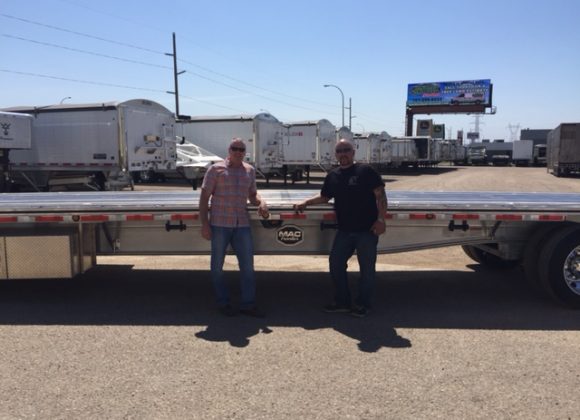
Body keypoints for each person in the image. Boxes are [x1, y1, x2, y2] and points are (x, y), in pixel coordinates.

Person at [294, 139, 387, 317]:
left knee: (367, 269)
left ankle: (363, 304)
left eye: (346, 150)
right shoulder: (333, 175)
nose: (343, 153)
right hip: (344, 230)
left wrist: (381, 220)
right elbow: (324, 197)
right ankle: (342, 301)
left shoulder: (365, 171)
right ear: (335, 155)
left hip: (366, 230)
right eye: (339, 151)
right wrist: (306, 202)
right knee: (335, 264)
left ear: (353, 152)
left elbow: (380, 195)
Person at [199, 138, 269, 317]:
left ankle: (248, 304)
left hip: (242, 225)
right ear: (229, 150)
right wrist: (204, 224)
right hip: (220, 224)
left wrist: (262, 202)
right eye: (235, 148)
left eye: (241, 149)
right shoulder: (216, 169)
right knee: (217, 266)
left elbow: (253, 195)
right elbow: (204, 197)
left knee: (247, 267)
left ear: (245, 152)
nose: (238, 151)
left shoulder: (249, 170)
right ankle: (223, 303)